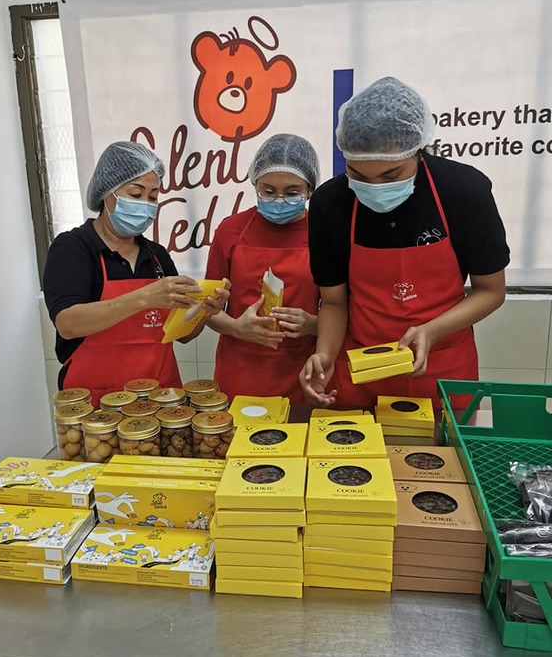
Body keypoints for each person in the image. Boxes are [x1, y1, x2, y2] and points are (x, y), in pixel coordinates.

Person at [300, 76, 510, 408]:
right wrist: (324, 354)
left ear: (419, 153)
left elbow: (491, 291)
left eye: (391, 175)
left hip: (444, 367)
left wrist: (432, 330)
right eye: (357, 174)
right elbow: (335, 302)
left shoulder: (464, 191)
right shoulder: (331, 203)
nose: (374, 188)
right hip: (361, 369)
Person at [44, 141, 229, 407]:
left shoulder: (156, 255)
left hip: (161, 401)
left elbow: (183, 335)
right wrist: (143, 298)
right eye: (135, 194)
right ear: (106, 193)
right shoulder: (74, 248)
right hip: (96, 404)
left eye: (153, 197)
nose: (146, 204)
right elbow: (69, 324)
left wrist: (203, 312)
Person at [206, 133, 321, 403]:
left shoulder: (325, 233)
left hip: (304, 371)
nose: (279, 200)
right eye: (268, 191)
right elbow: (205, 310)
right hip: (240, 371)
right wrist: (236, 327)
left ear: (310, 189)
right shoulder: (231, 231)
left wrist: (315, 325)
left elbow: (344, 308)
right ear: (254, 184)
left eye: (292, 192)